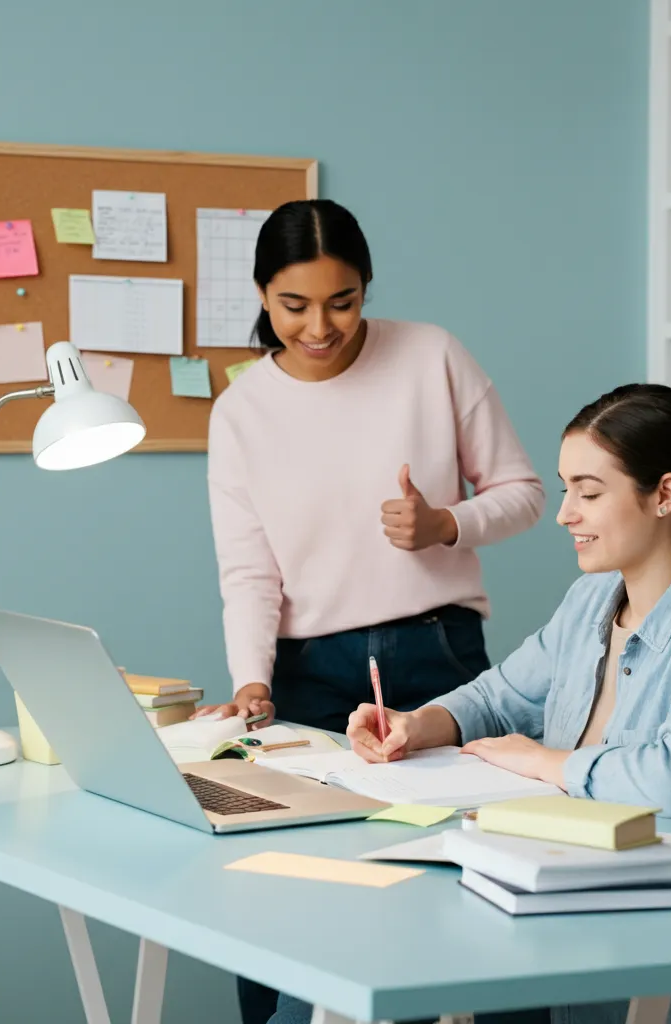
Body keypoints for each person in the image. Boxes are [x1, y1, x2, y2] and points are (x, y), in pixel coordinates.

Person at [272, 383, 671, 1024]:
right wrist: (418, 724)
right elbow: (499, 695)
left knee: (367, 971)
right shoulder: (592, 600)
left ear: (665, 495)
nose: (565, 512)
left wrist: (545, 762)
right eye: (566, 489)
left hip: (663, 935)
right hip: (558, 888)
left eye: (588, 492)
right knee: (329, 963)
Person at [200, 199, 545, 1024]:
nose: (321, 326)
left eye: (343, 301)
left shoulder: (432, 356)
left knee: (451, 879)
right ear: (260, 293)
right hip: (305, 672)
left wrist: (445, 524)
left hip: (435, 659)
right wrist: (251, 684)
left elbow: (526, 494)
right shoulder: (241, 412)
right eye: (294, 306)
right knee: (277, 884)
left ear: (367, 288)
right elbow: (250, 571)